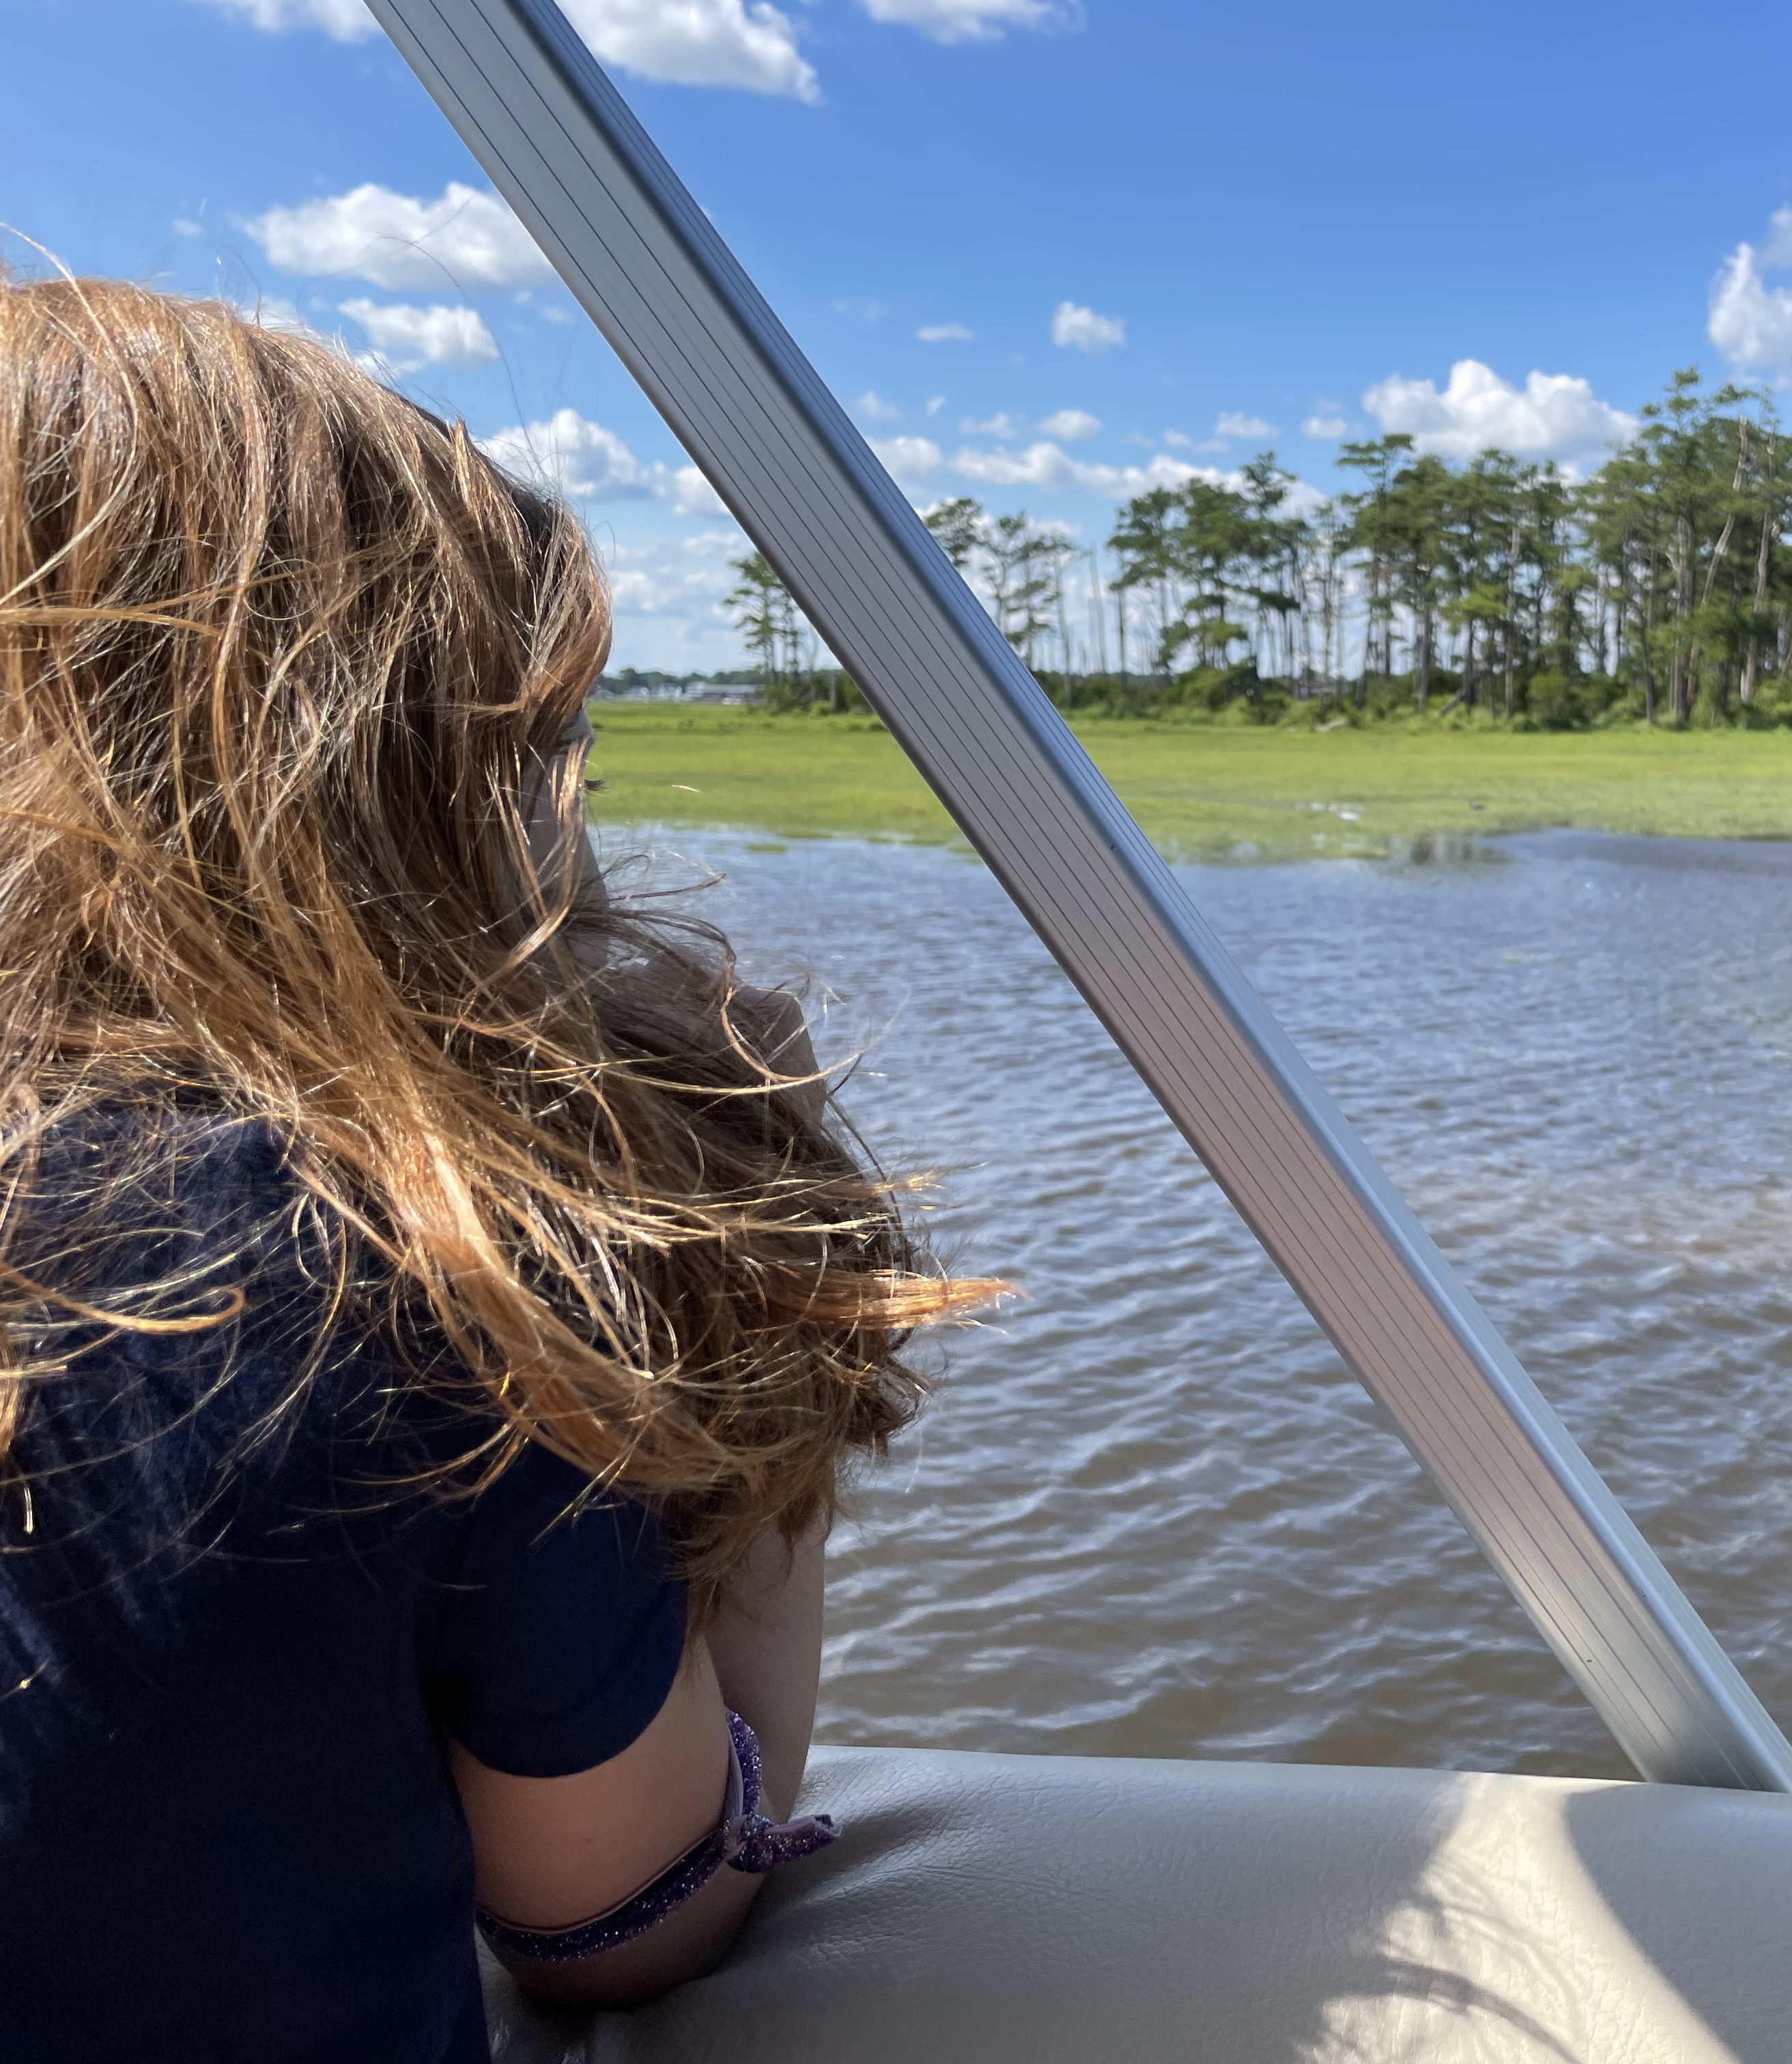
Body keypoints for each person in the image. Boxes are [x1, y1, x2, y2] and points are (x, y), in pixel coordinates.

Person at [0, 279, 995, 2061]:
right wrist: (773, 1316)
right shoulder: (391, 1257)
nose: (578, 804)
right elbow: (627, 1921)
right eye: (540, 736)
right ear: (360, 773)